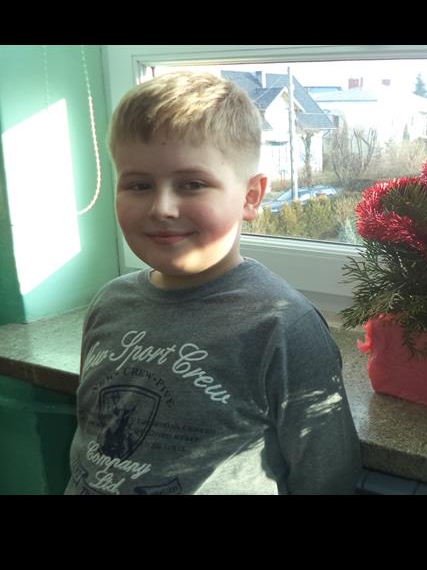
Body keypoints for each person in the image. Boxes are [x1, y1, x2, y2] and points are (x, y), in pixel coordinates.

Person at [64, 71, 362, 494]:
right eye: (138, 184)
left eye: (192, 184)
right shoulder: (108, 304)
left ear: (251, 197)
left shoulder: (284, 328)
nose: (162, 207)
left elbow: (326, 478)